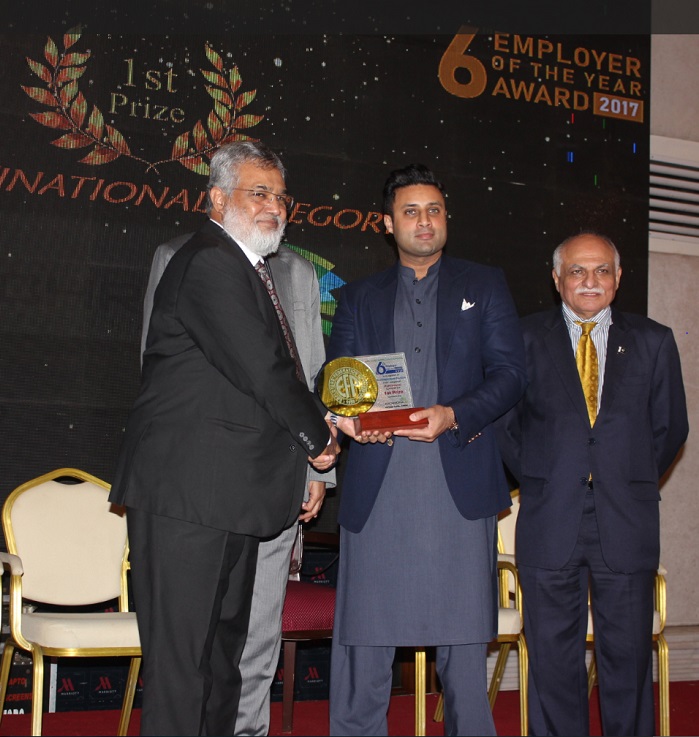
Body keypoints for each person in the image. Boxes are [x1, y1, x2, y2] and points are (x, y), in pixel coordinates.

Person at [109, 141, 338, 736]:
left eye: (280, 197)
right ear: (215, 198)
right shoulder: (209, 259)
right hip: (188, 497)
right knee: (183, 666)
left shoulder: (251, 269)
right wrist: (320, 439)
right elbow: (264, 368)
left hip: (232, 496)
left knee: (222, 662)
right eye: (257, 193)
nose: (273, 207)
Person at [326, 163, 527, 736]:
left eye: (434, 210)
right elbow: (337, 379)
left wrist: (453, 413)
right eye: (410, 212)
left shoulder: (483, 284)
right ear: (388, 224)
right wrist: (353, 422)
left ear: (446, 220)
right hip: (378, 482)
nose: (424, 221)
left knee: (463, 645)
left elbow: (511, 375)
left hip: (455, 481)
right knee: (365, 639)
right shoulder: (359, 296)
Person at [495, 232, 689, 736]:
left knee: (627, 663)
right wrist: (542, 476)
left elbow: (670, 429)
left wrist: (623, 477)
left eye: (602, 270)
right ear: (556, 278)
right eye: (577, 271)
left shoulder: (653, 340)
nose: (590, 281)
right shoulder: (521, 338)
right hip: (549, 517)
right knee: (553, 668)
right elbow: (504, 426)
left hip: (626, 521)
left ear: (619, 279)